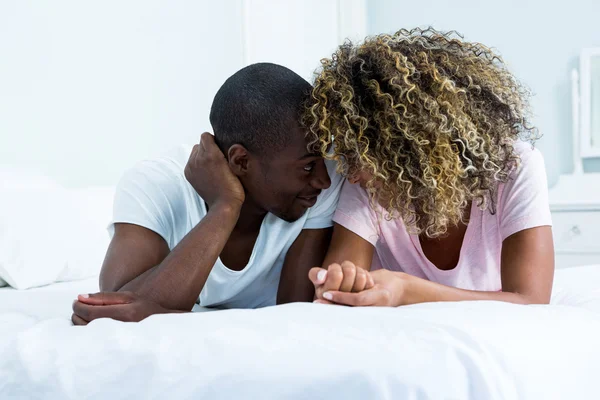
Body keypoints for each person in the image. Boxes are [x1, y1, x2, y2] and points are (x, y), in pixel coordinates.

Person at [71, 63, 342, 325]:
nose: (324, 180)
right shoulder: (155, 183)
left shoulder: (313, 190)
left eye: (323, 158)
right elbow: (114, 313)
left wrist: (175, 316)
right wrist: (225, 207)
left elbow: (296, 318)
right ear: (241, 161)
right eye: (307, 166)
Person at [305, 28, 554, 307]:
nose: (350, 176)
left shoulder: (515, 167)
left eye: (360, 155)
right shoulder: (368, 186)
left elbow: (532, 301)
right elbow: (340, 288)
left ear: (410, 145)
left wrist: (406, 290)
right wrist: (340, 284)